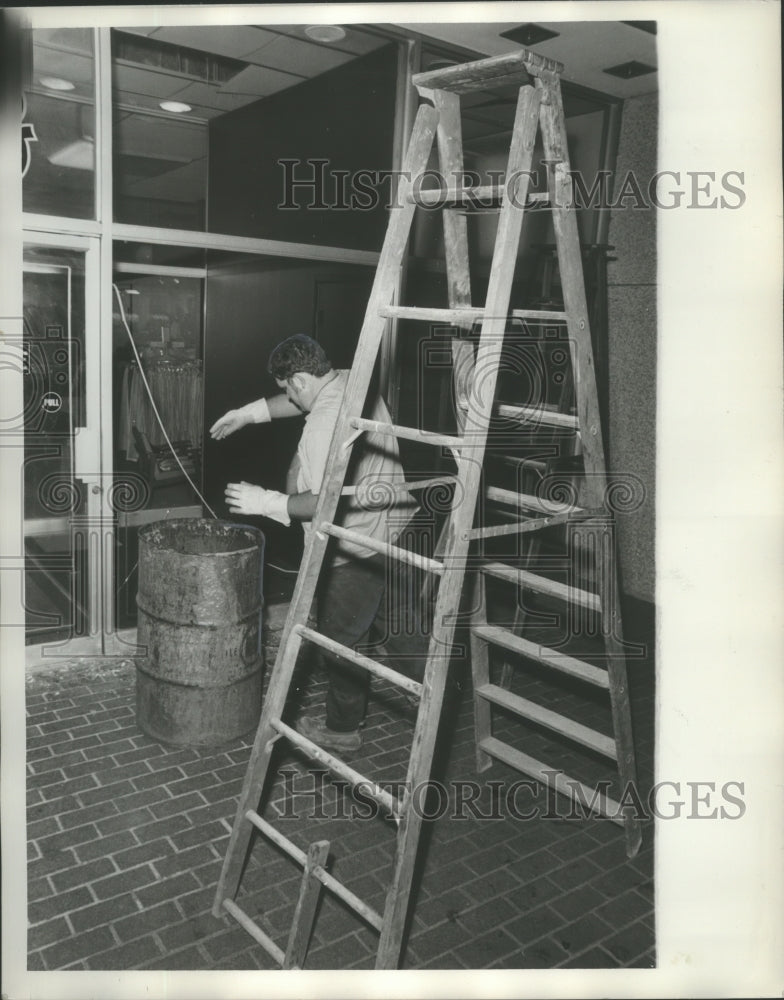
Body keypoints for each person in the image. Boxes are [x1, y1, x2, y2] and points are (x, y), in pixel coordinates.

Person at [209, 334, 427, 752]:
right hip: (396, 529)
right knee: (401, 628)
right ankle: (441, 693)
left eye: (288, 387)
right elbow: (297, 404)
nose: (287, 397)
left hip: (355, 545)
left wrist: (266, 501)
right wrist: (248, 414)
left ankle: (342, 730)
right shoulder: (349, 379)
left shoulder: (324, 425)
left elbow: (323, 502)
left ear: (303, 379)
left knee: (339, 641)